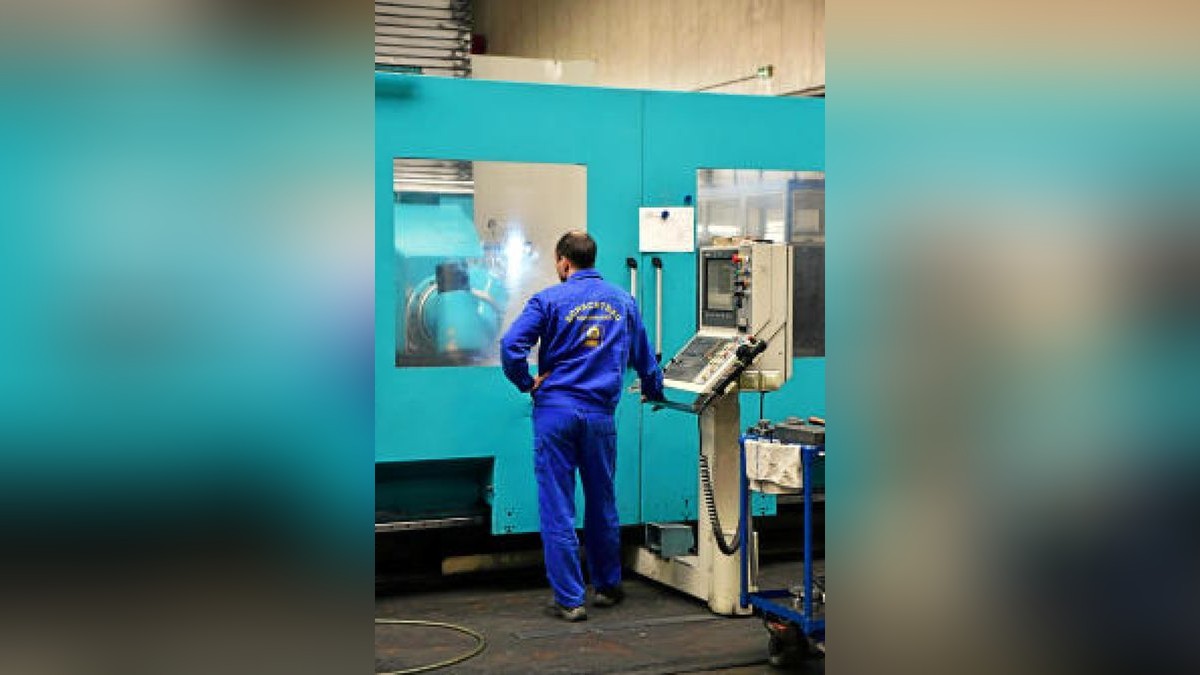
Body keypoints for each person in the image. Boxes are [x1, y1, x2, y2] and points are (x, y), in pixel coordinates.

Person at [500, 231, 664, 622]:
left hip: (555, 413)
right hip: (599, 417)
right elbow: (644, 358)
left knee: (557, 505)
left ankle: (570, 600)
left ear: (562, 261)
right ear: (593, 258)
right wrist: (654, 390)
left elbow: (511, 346)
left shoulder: (549, 300)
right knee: (602, 501)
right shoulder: (623, 301)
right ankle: (607, 586)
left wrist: (526, 382)